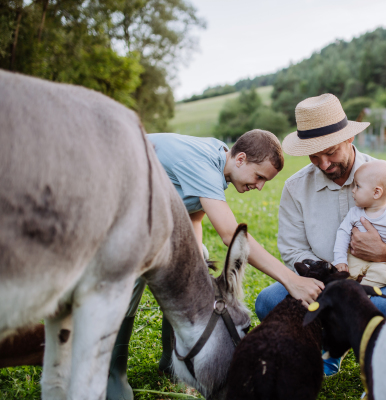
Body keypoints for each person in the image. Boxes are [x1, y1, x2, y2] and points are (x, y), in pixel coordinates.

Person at [108, 129, 324, 400]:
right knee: (133, 263)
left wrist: (194, 269)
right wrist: (290, 279)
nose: (259, 187)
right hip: (108, 208)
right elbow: (229, 233)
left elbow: (194, 219)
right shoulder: (202, 165)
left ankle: (168, 358)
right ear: (241, 159)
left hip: (143, 214)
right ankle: (113, 372)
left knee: (197, 255)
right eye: (259, 177)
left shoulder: (218, 159)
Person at [255, 93, 386, 376]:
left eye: (331, 152)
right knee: (267, 302)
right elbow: (292, 250)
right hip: (323, 283)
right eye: (314, 156)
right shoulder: (295, 188)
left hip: (382, 283)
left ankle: (378, 362)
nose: (323, 164)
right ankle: (326, 349)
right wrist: (331, 282)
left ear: (350, 140)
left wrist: (384, 253)